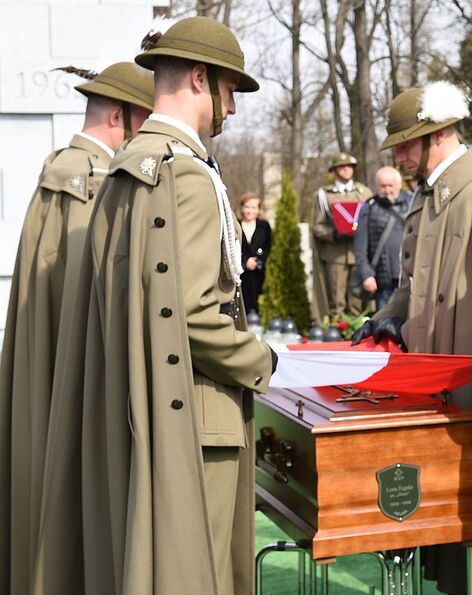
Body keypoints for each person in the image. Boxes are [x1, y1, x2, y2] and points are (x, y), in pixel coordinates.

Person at [36, 17, 277, 595]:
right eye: (229, 90)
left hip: (141, 410)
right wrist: (262, 360)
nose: (232, 108)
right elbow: (190, 317)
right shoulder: (185, 175)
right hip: (194, 420)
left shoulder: (130, 165)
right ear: (199, 78)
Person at [352, 80, 472, 591]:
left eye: (406, 144)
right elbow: (411, 285)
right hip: (431, 377)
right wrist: (387, 316)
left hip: (471, 381)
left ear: (439, 134)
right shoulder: (427, 196)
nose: (400, 157)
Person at [0, 61, 154, 595]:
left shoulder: (59, 170)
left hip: (46, 369)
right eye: (144, 119)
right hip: (72, 376)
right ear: (118, 116)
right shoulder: (90, 182)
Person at [311, 152, 373, 317]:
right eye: (341, 167)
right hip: (335, 254)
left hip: (359, 253)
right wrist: (334, 234)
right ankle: (337, 330)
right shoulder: (324, 195)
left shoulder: (364, 193)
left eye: (349, 166)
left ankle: (357, 329)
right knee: (336, 302)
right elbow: (317, 226)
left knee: (357, 301)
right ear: (333, 170)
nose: (346, 170)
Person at [353, 166, 411, 310]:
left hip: (409, 277)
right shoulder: (369, 208)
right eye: (383, 186)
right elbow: (360, 247)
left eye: (391, 186)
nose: (387, 190)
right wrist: (366, 274)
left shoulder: (412, 203)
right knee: (385, 321)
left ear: (400, 184)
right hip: (383, 281)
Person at [239, 191, 272, 314]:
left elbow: (268, 246)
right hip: (241, 274)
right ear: (242, 208)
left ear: (259, 210)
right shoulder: (236, 225)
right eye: (247, 207)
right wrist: (244, 261)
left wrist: (258, 261)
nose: (250, 211)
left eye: (253, 207)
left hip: (260, 274)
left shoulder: (264, 226)